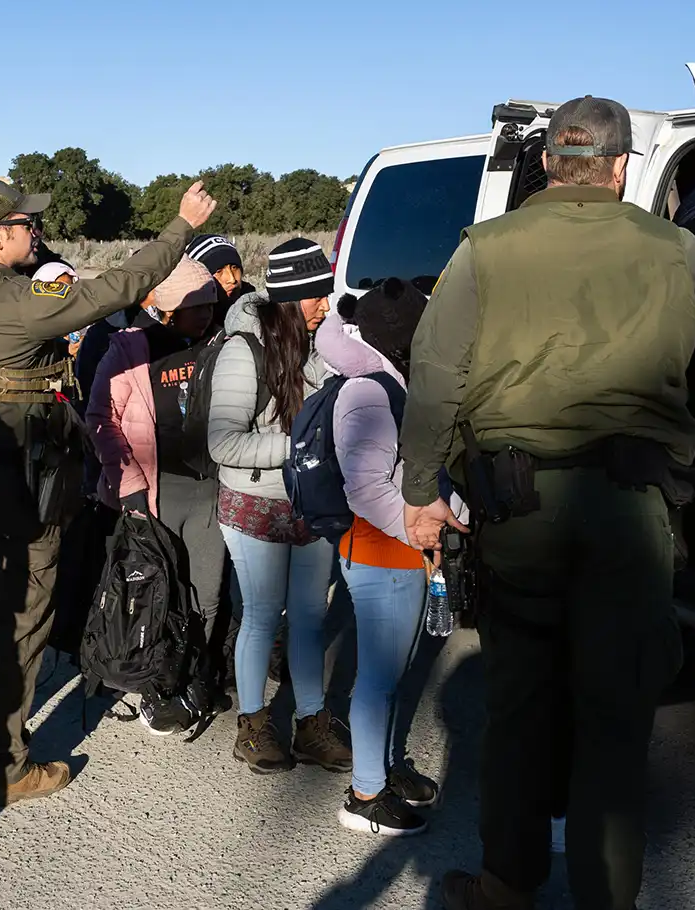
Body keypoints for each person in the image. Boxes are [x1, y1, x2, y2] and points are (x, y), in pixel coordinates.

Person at [397, 97, 695, 910]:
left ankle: (507, 888)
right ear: (620, 168)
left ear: (547, 163)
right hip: (631, 518)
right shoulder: (677, 250)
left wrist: (419, 493)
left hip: (520, 514)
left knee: (519, 712)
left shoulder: (484, 250)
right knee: (615, 728)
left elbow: (436, 379)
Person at [0, 178, 218, 808]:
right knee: (18, 621)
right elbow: (119, 289)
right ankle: (4, 765)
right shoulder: (15, 302)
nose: (35, 233)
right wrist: (179, 228)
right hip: (15, 486)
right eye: (25, 224)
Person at [206, 237, 347, 775]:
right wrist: (301, 442)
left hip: (309, 502)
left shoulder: (315, 349)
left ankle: (312, 723)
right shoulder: (244, 352)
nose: (325, 306)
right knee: (263, 616)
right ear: (290, 299)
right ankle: (253, 725)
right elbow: (223, 443)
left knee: (310, 616)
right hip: (254, 504)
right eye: (316, 296)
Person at [314, 278, 439, 836]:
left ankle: (383, 766)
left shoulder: (383, 380)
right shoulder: (368, 391)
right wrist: (422, 532)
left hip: (395, 552)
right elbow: (365, 487)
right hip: (382, 552)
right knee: (377, 678)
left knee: (391, 674)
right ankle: (365, 794)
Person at [87, 255, 226, 734]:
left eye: (211, 304)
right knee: (153, 595)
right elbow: (101, 419)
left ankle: (192, 675)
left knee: (205, 592)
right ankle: (156, 684)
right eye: (196, 306)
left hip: (207, 489)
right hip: (150, 494)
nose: (206, 314)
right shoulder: (128, 350)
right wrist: (127, 484)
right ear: (168, 307)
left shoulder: (217, 347)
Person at [187, 233, 254, 328]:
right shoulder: (189, 327)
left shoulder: (258, 311)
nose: (232, 279)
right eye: (219, 271)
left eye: (234, 267)